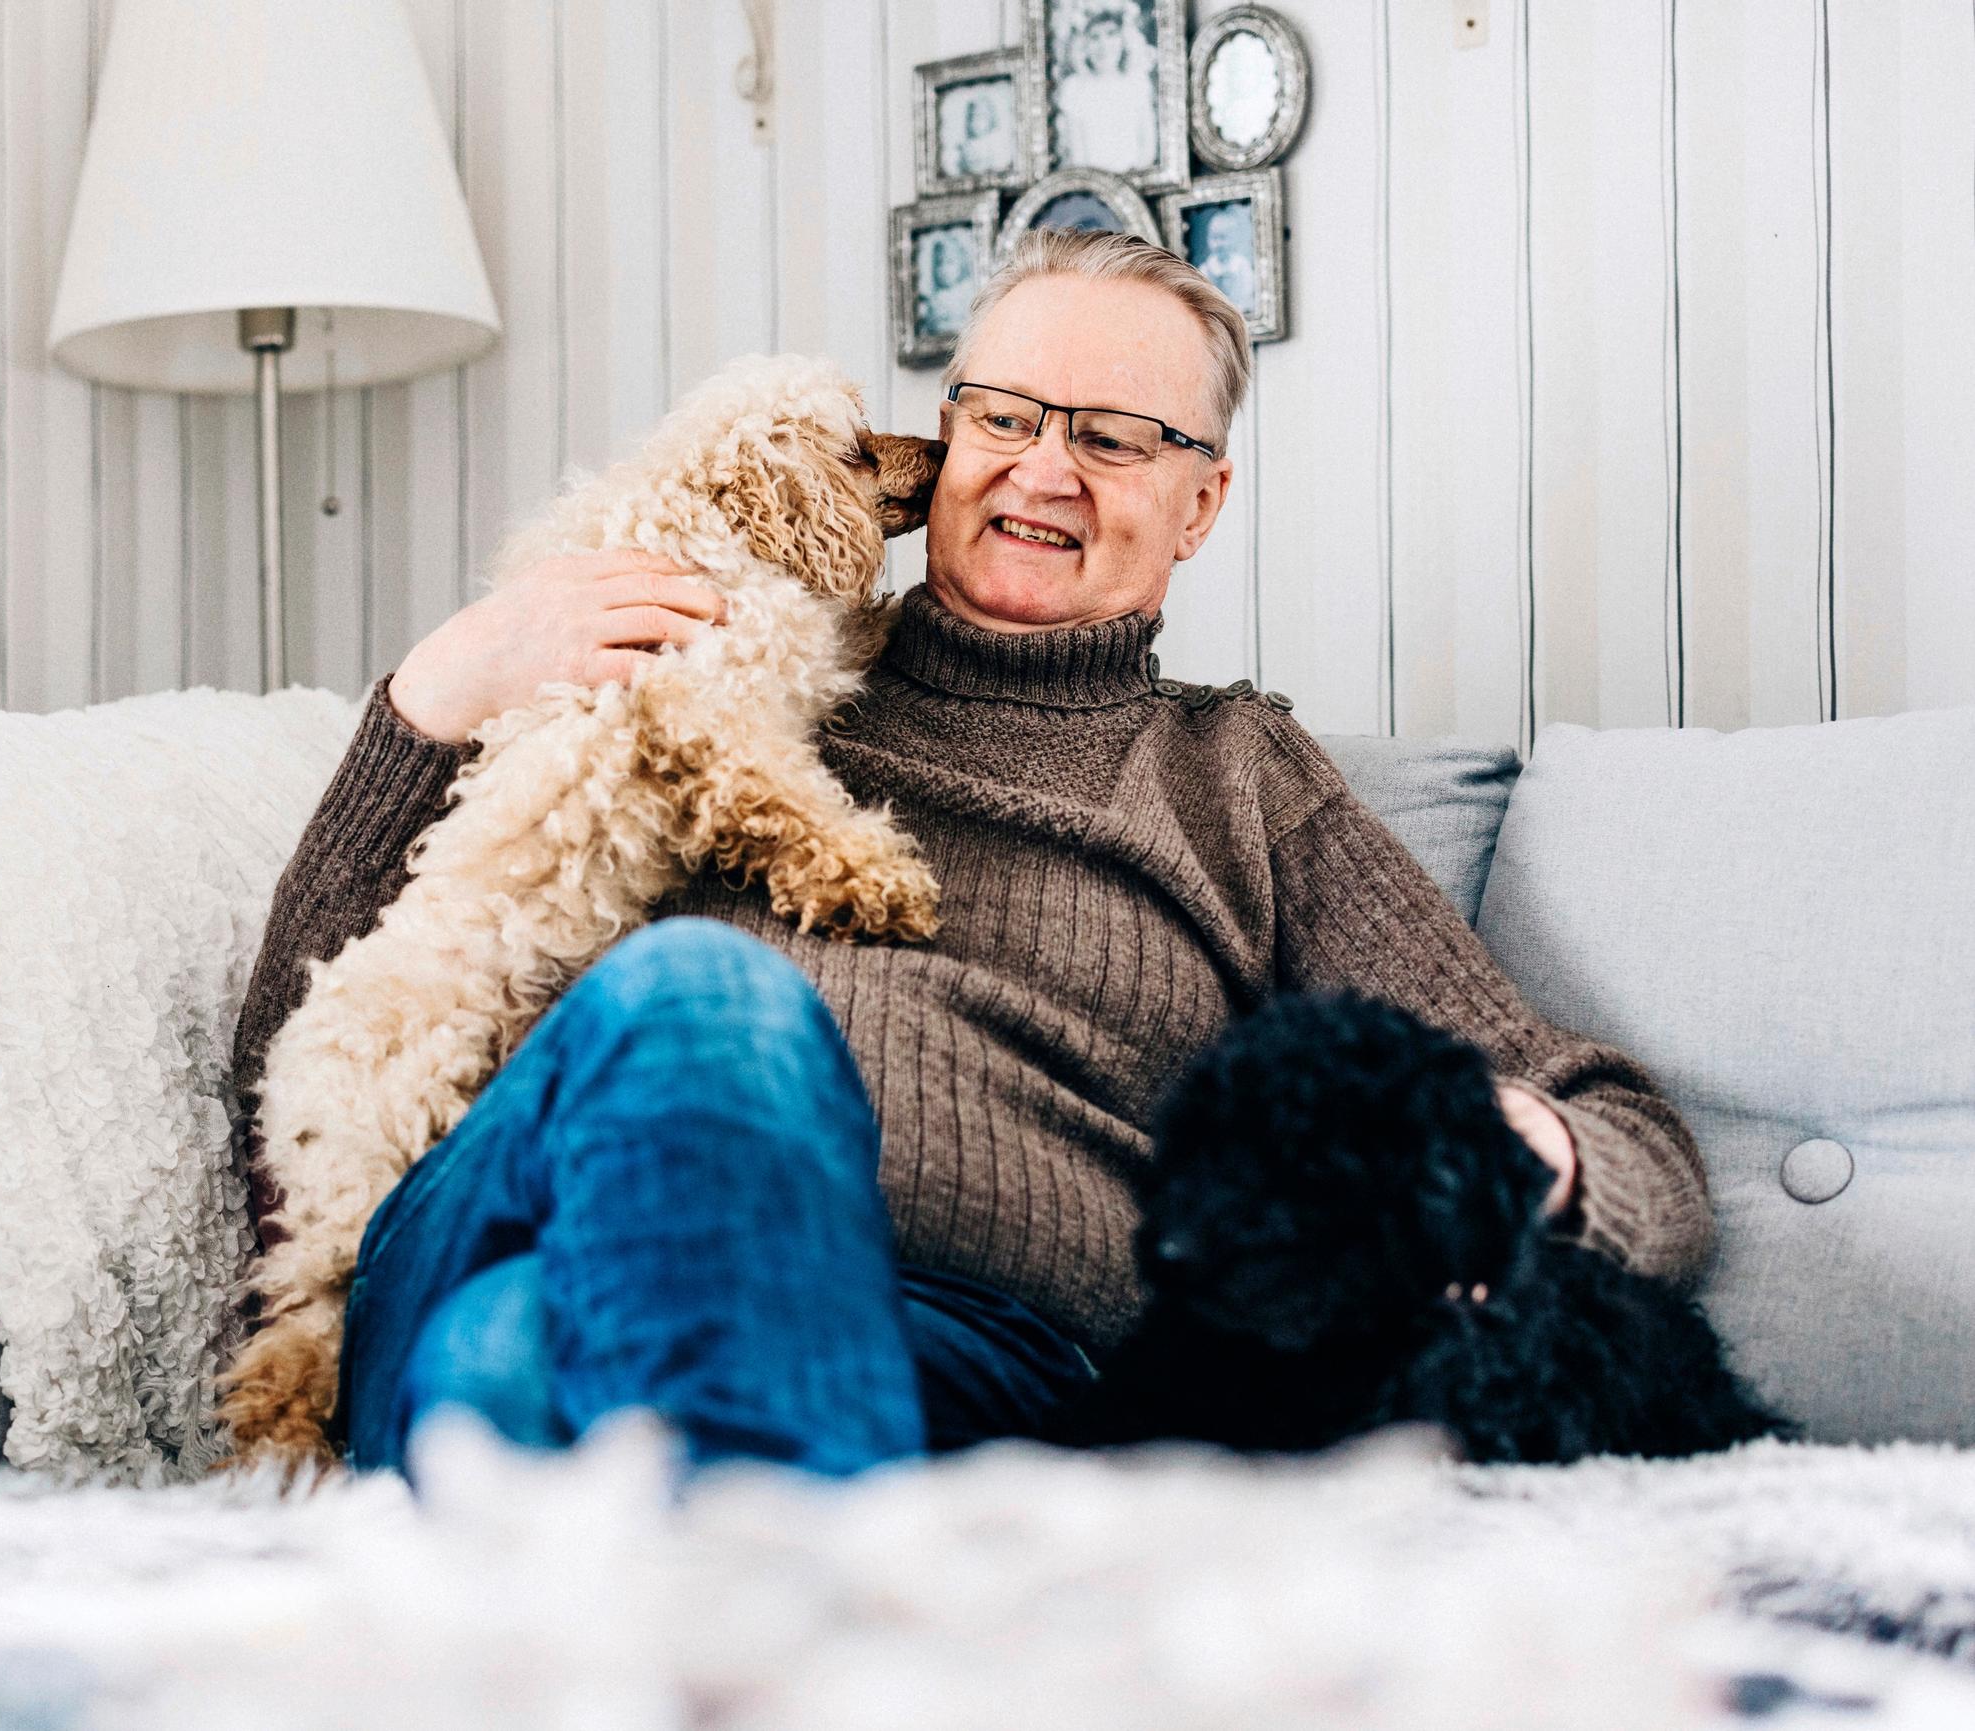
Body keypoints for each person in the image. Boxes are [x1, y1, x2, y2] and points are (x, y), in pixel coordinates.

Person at [229, 228, 1715, 1481]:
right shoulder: (708, 653)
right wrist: (441, 688)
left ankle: (650, 1576)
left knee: (509, 1360)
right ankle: (816, 1600)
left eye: (1114, 437)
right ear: (943, 440)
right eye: (1002, 414)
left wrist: (1534, 1152)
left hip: (968, 1353)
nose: (1039, 468)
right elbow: (297, 1042)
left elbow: (1626, 1138)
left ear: (1202, 502)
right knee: (703, 1001)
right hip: (517, 1204)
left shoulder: (1245, 783)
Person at [1051, 3, 1159, 174]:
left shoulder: (1136, 83)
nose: (1103, 45)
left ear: (1123, 39)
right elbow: (1077, 155)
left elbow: (1147, 146)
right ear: (1084, 44)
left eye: (1111, 34)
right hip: (1092, 186)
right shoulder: (1075, 88)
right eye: (1095, 37)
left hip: (1136, 180)